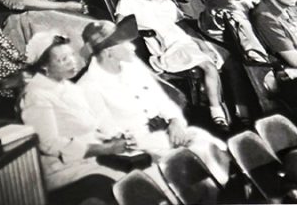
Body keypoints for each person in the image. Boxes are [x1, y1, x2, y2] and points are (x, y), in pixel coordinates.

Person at [19, 32, 133, 205]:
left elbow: (85, 127)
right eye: (63, 59)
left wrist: (111, 139)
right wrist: (106, 149)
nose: (72, 62)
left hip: (89, 162)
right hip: (62, 173)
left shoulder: (67, 86)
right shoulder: (36, 95)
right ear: (44, 67)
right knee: (127, 190)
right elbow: (49, 145)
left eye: (72, 55)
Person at [112, 0, 231, 131]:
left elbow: (185, 28)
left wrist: (203, 45)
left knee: (230, 59)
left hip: (186, 41)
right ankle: (217, 114)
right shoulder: (128, 1)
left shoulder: (164, 1)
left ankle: (239, 111)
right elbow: (121, 28)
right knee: (209, 66)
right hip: (169, 47)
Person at [77, 17, 211, 159]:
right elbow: (112, 134)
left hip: (165, 130)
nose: (132, 47)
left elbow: (160, 98)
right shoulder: (88, 86)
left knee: (209, 146)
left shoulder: (132, 65)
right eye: (124, 43)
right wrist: (161, 142)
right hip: (138, 149)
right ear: (107, 51)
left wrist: (175, 121)